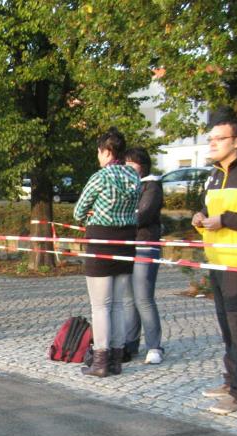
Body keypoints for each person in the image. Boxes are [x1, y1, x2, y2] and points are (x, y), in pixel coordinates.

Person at [192, 116, 237, 415]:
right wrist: (200, 219)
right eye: (210, 139)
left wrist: (226, 220)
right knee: (226, 325)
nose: (212, 143)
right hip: (217, 260)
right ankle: (232, 379)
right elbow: (208, 211)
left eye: (219, 138)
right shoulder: (213, 175)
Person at [74, 127, 140, 377]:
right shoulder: (133, 176)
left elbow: (78, 211)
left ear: (108, 152)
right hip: (127, 240)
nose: (98, 156)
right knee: (119, 304)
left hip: (101, 240)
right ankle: (116, 358)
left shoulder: (100, 177)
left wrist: (92, 213)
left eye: (99, 152)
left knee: (100, 305)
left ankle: (100, 360)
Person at [123, 147, 164, 365]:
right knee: (128, 299)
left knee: (143, 298)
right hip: (128, 246)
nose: (128, 168)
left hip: (145, 246)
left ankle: (154, 346)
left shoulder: (152, 186)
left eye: (132, 164)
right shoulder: (129, 185)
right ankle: (130, 343)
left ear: (143, 166)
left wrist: (120, 218)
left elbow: (143, 215)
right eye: (126, 164)